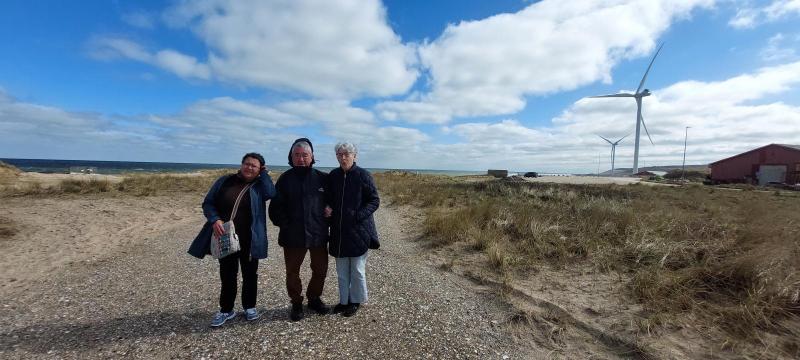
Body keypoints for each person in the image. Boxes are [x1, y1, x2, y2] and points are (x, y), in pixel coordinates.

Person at [188, 152, 277, 327]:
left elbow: (271, 193)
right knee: (228, 274)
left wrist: (265, 174)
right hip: (226, 237)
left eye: (254, 166)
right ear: (241, 164)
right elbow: (208, 203)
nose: (249, 167)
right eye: (247, 164)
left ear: (260, 169)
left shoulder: (260, 186)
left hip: (251, 239)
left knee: (250, 274)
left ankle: (250, 307)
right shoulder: (225, 181)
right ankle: (226, 310)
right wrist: (215, 219)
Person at [268, 138, 331, 321]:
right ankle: (296, 302)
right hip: (292, 236)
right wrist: (286, 225)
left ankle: (314, 298)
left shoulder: (322, 178)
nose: (301, 159)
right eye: (297, 155)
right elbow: (275, 208)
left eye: (305, 155)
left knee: (320, 270)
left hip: (318, 234)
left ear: (312, 157)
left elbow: (333, 202)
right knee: (292, 272)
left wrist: (330, 211)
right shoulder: (285, 179)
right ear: (291, 157)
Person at [326, 142, 380, 317]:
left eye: (347, 154)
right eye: (339, 154)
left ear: (354, 156)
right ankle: (344, 301)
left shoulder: (363, 175)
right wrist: (327, 207)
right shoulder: (333, 176)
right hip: (338, 231)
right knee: (342, 271)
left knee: (357, 270)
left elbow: (374, 200)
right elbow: (328, 197)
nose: (343, 157)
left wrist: (358, 215)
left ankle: (356, 301)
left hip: (359, 230)